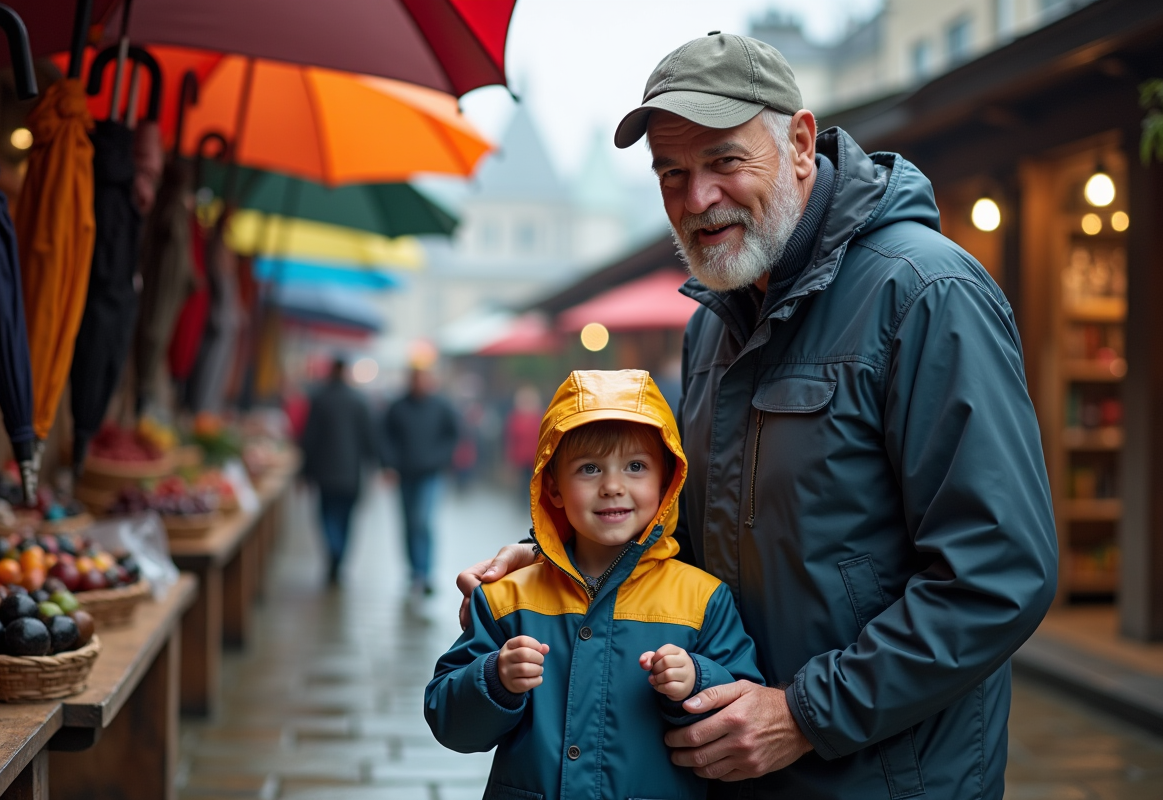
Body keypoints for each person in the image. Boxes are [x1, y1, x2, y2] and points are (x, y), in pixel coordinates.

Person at [456, 32, 1058, 799]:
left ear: (801, 145)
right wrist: (560, 555)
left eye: (725, 162)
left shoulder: (926, 293)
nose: (697, 197)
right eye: (672, 172)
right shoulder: (715, 320)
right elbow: (692, 520)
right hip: (737, 768)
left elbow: (1000, 573)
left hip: (890, 778)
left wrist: (804, 715)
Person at [426, 369, 762, 799]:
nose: (612, 486)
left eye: (636, 466)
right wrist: (494, 679)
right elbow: (450, 724)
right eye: (589, 469)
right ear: (553, 487)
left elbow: (739, 708)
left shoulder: (702, 598)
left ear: (667, 481)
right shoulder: (507, 597)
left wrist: (697, 680)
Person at [300, 357, 378, 585]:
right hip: (351, 473)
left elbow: (309, 437)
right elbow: (369, 438)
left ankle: (333, 552)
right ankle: (339, 555)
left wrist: (305, 472)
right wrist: (375, 465)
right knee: (346, 518)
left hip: (324, 472)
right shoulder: (359, 401)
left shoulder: (319, 399)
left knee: (326, 515)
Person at [382, 366, 459, 597]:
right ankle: (414, 570)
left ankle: (425, 573)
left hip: (430, 474)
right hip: (405, 474)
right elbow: (385, 437)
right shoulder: (398, 407)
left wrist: (441, 459)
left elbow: (452, 435)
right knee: (409, 523)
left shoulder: (441, 407)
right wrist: (389, 464)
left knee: (423, 521)